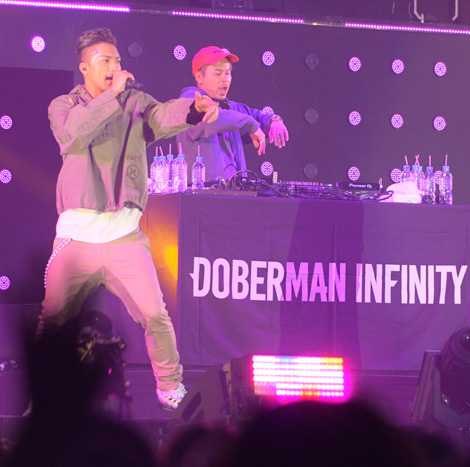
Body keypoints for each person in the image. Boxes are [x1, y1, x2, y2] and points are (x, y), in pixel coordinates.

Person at [40, 27, 219, 411]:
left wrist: (194, 109)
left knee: (156, 315)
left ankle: (170, 388)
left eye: (117, 60)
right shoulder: (63, 105)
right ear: (85, 68)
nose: (114, 67)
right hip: (77, 238)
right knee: (53, 321)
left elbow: (162, 115)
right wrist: (111, 96)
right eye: (105, 60)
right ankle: (44, 392)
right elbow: (71, 135)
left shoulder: (134, 101)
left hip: (124, 236)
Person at [176, 46, 290, 183]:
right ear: (199, 77)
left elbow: (257, 116)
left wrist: (274, 121)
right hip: (205, 192)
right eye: (218, 74)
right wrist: (250, 124)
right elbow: (215, 117)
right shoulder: (189, 102)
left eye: (227, 73)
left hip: (234, 191)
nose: (225, 79)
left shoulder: (230, 107)